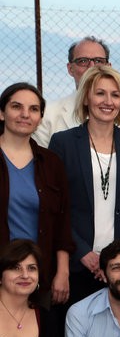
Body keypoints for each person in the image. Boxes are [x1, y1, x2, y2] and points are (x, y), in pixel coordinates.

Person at [48, 66, 120, 305]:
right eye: (100, 93)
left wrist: (115, 257)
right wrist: (82, 251)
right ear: (85, 98)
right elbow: (55, 207)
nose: (108, 101)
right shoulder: (63, 143)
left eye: (115, 95)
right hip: (77, 264)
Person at [1, 83, 73, 304]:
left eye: (33, 109)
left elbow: (62, 223)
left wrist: (63, 272)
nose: (25, 114)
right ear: (2, 113)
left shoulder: (51, 163)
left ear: (40, 118)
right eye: (16, 107)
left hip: (39, 275)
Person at [33, 36, 120, 147]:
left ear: (108, 67)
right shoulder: (47, 116)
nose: (92, 67)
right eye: (83, 61)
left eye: (99, 61)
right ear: (70, 68)